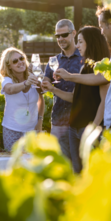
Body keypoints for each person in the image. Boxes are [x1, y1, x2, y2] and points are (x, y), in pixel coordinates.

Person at [43, 26, 110, 173]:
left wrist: (93, 129)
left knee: (89, 174)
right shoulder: (84, 67)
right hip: (74, 128)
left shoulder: (103, 67)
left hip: (89, 129)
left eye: (80, 42)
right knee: (76, 172)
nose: (77, 45)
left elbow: (104, 103)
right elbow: (75, 98)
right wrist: (53, 89)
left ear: (91, 43)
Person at [43, 19, 83, 159]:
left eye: (64, 35)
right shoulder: (53, 60)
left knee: (80, 168)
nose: (60, 39)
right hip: (58, 121)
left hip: (80, 122)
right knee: (60, 166)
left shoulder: (84, 59)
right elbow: (46, 81)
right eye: (57, 36)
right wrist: (41, 82)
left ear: (73, 33)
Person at [0, 48, 45, 151]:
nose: (20, 62)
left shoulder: (33, 77)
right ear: (9, 66)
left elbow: (41, 99)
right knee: (13, 162)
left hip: (32, 129)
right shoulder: (7, 79)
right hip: (12, 130)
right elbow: (9, 89)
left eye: (21, 58)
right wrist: (26, 83)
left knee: (31, 162)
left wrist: (40, 121)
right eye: (15, 61)